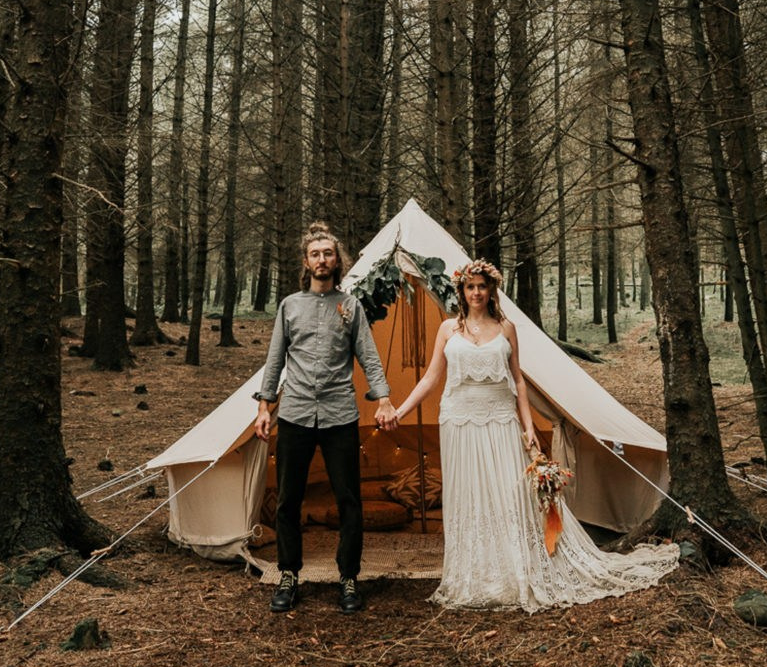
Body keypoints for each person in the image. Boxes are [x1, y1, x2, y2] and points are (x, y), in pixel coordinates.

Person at [392, 258, 678, 612]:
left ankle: (513, 568)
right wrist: (399, 411)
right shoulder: (448, 329)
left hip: (500, 418)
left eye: (482, 286)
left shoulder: (507, 327)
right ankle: (475, 574)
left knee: (508, 491)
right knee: (469, 493)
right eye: (470, 287)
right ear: (461, 291)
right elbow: (430, 378)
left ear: (491, 290)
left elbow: (519, 381)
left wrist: (528, 426)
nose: (476, 292)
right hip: (458, 421)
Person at [253, 222, 398, 614]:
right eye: (315, 254)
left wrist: (383, 399)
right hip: (296, 414)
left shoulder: (350, 307)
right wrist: (264, 407)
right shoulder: (289, 306)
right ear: (306, 261)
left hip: (340, 417)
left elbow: (368, 355)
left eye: (328, 254)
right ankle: (289, 575)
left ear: (338, 261)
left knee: (349, 500)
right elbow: (274, 361)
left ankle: (348, 579)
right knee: (288, 500)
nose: (322, 260)